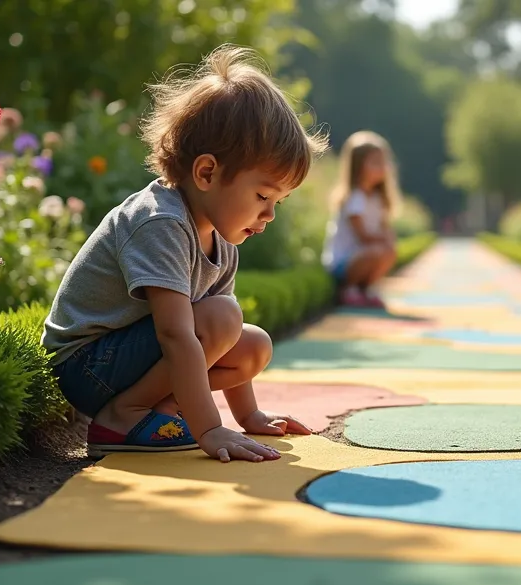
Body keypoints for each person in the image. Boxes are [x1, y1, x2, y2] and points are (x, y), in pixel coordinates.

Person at [41, 45, 327, 463]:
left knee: (252, 345)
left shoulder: (221, 238)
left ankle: (159, 413)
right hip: (86, 364)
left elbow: (218, 336)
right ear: (207, 172)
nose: (269, 214)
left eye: (278, 202)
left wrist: (248, 415)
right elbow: (176, 334)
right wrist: (210, 428)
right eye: (263, 196)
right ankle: (123, 416)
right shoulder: (161, 222)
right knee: (222, 317)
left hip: (125, 358)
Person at [322, 130, 401, 307]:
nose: (382, 167)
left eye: (383, 161)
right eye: (375, 162)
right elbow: (362, 236)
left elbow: (384, 227)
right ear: (358, 166)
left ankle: (365, 288)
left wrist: (388, 239)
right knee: (376, 251)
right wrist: (383, 240)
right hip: (344, 262)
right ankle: (349, 288)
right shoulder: (355, 198)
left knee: (388, 252)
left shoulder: (377, 199)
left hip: (365, 255)